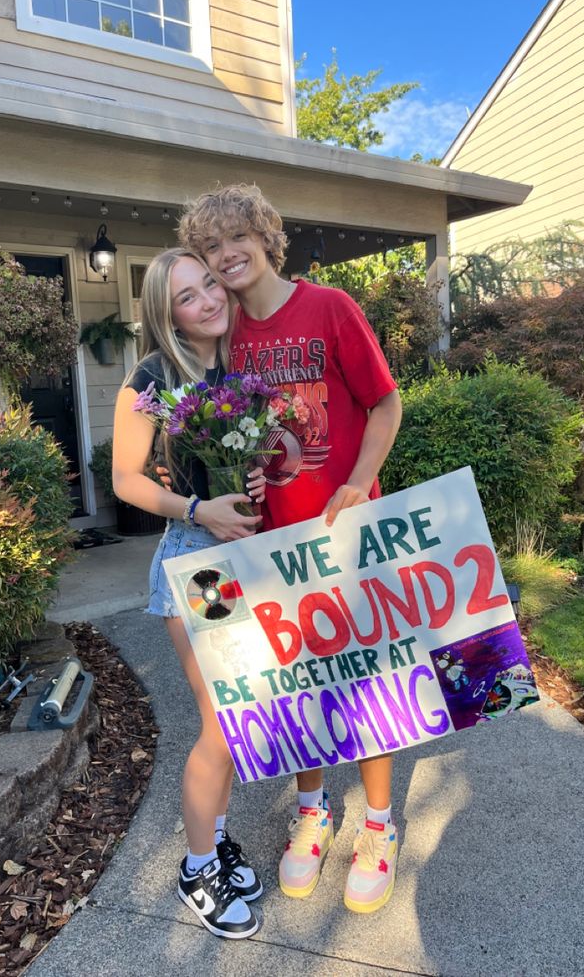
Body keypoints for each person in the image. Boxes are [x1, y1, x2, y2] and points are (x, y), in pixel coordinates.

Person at [177, 184, 403, 914]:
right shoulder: (227, 336)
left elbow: (385, 402)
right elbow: (235, 429)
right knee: (295, 687)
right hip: (268, 548)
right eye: (210, 249)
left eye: (234, 238)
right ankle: (314, 810)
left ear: (265, 236)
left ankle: (378, 825)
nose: (224, 256)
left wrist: (361, 481)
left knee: (369, 682)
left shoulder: (331, 307)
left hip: (345, 534)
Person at [112, 247, 268, 939]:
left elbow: (253, 454)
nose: (207, 298)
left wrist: (256, 479)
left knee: (242, 715)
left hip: (247, 558)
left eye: (210, 282)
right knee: (225, 721)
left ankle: (219, 840)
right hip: (199, 566)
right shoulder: (152, 377)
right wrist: (199, 508)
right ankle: (196, 867)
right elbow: (125, 479)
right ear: (163, 312)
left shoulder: (238, 365)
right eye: (186, 294)